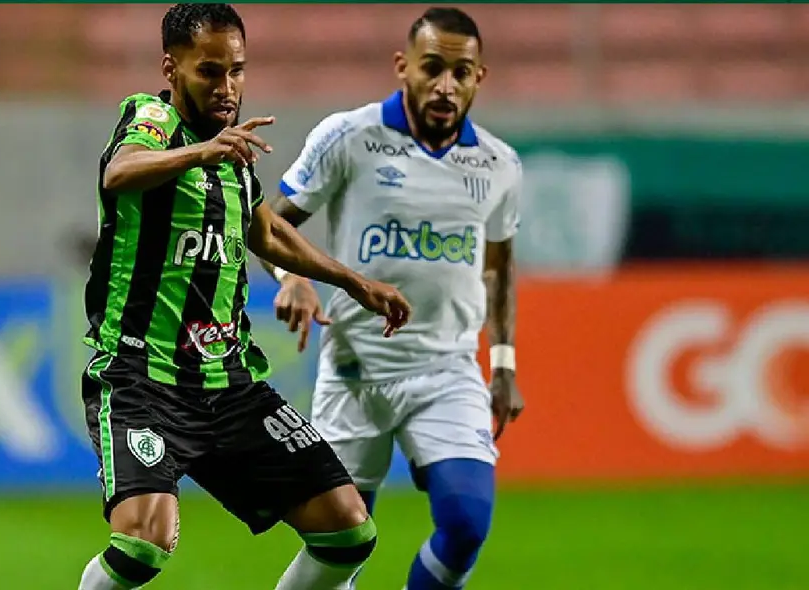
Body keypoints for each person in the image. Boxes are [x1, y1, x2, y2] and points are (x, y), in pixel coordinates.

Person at [76, 4, 413, 590]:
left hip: (227, 384)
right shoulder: (151, 117)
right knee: (142, 544)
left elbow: (267, 232)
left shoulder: (233, 160)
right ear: (171, 67)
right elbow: (121, 171)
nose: (227, 87)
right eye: (210, 71)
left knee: (348, 530)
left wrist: (353, 282)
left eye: (237, 71)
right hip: (141, 377)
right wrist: (203, 151)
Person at [259, 7, 525, 589]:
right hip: (356, 371)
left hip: (448, 369)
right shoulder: (349, 138)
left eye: (462, 72)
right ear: (403, 67)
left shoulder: (500, 165)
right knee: (340, 545)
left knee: (466, 523)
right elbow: (271, 227)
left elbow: (498, 269)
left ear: (481, 77)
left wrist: (502, 363)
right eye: (433, 68)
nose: (445, 85)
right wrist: (292, 279)